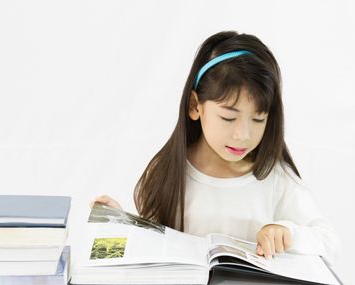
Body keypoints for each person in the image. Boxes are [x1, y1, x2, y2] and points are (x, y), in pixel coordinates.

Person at [92, 31, 340, 265]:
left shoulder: (275, 177)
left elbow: (329, 242)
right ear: (194, 106)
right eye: (228, 118)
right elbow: (157, 247)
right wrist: (122, 223)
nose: (242, 135)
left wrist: (287, 232)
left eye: (258, 119)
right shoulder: (168, 172)